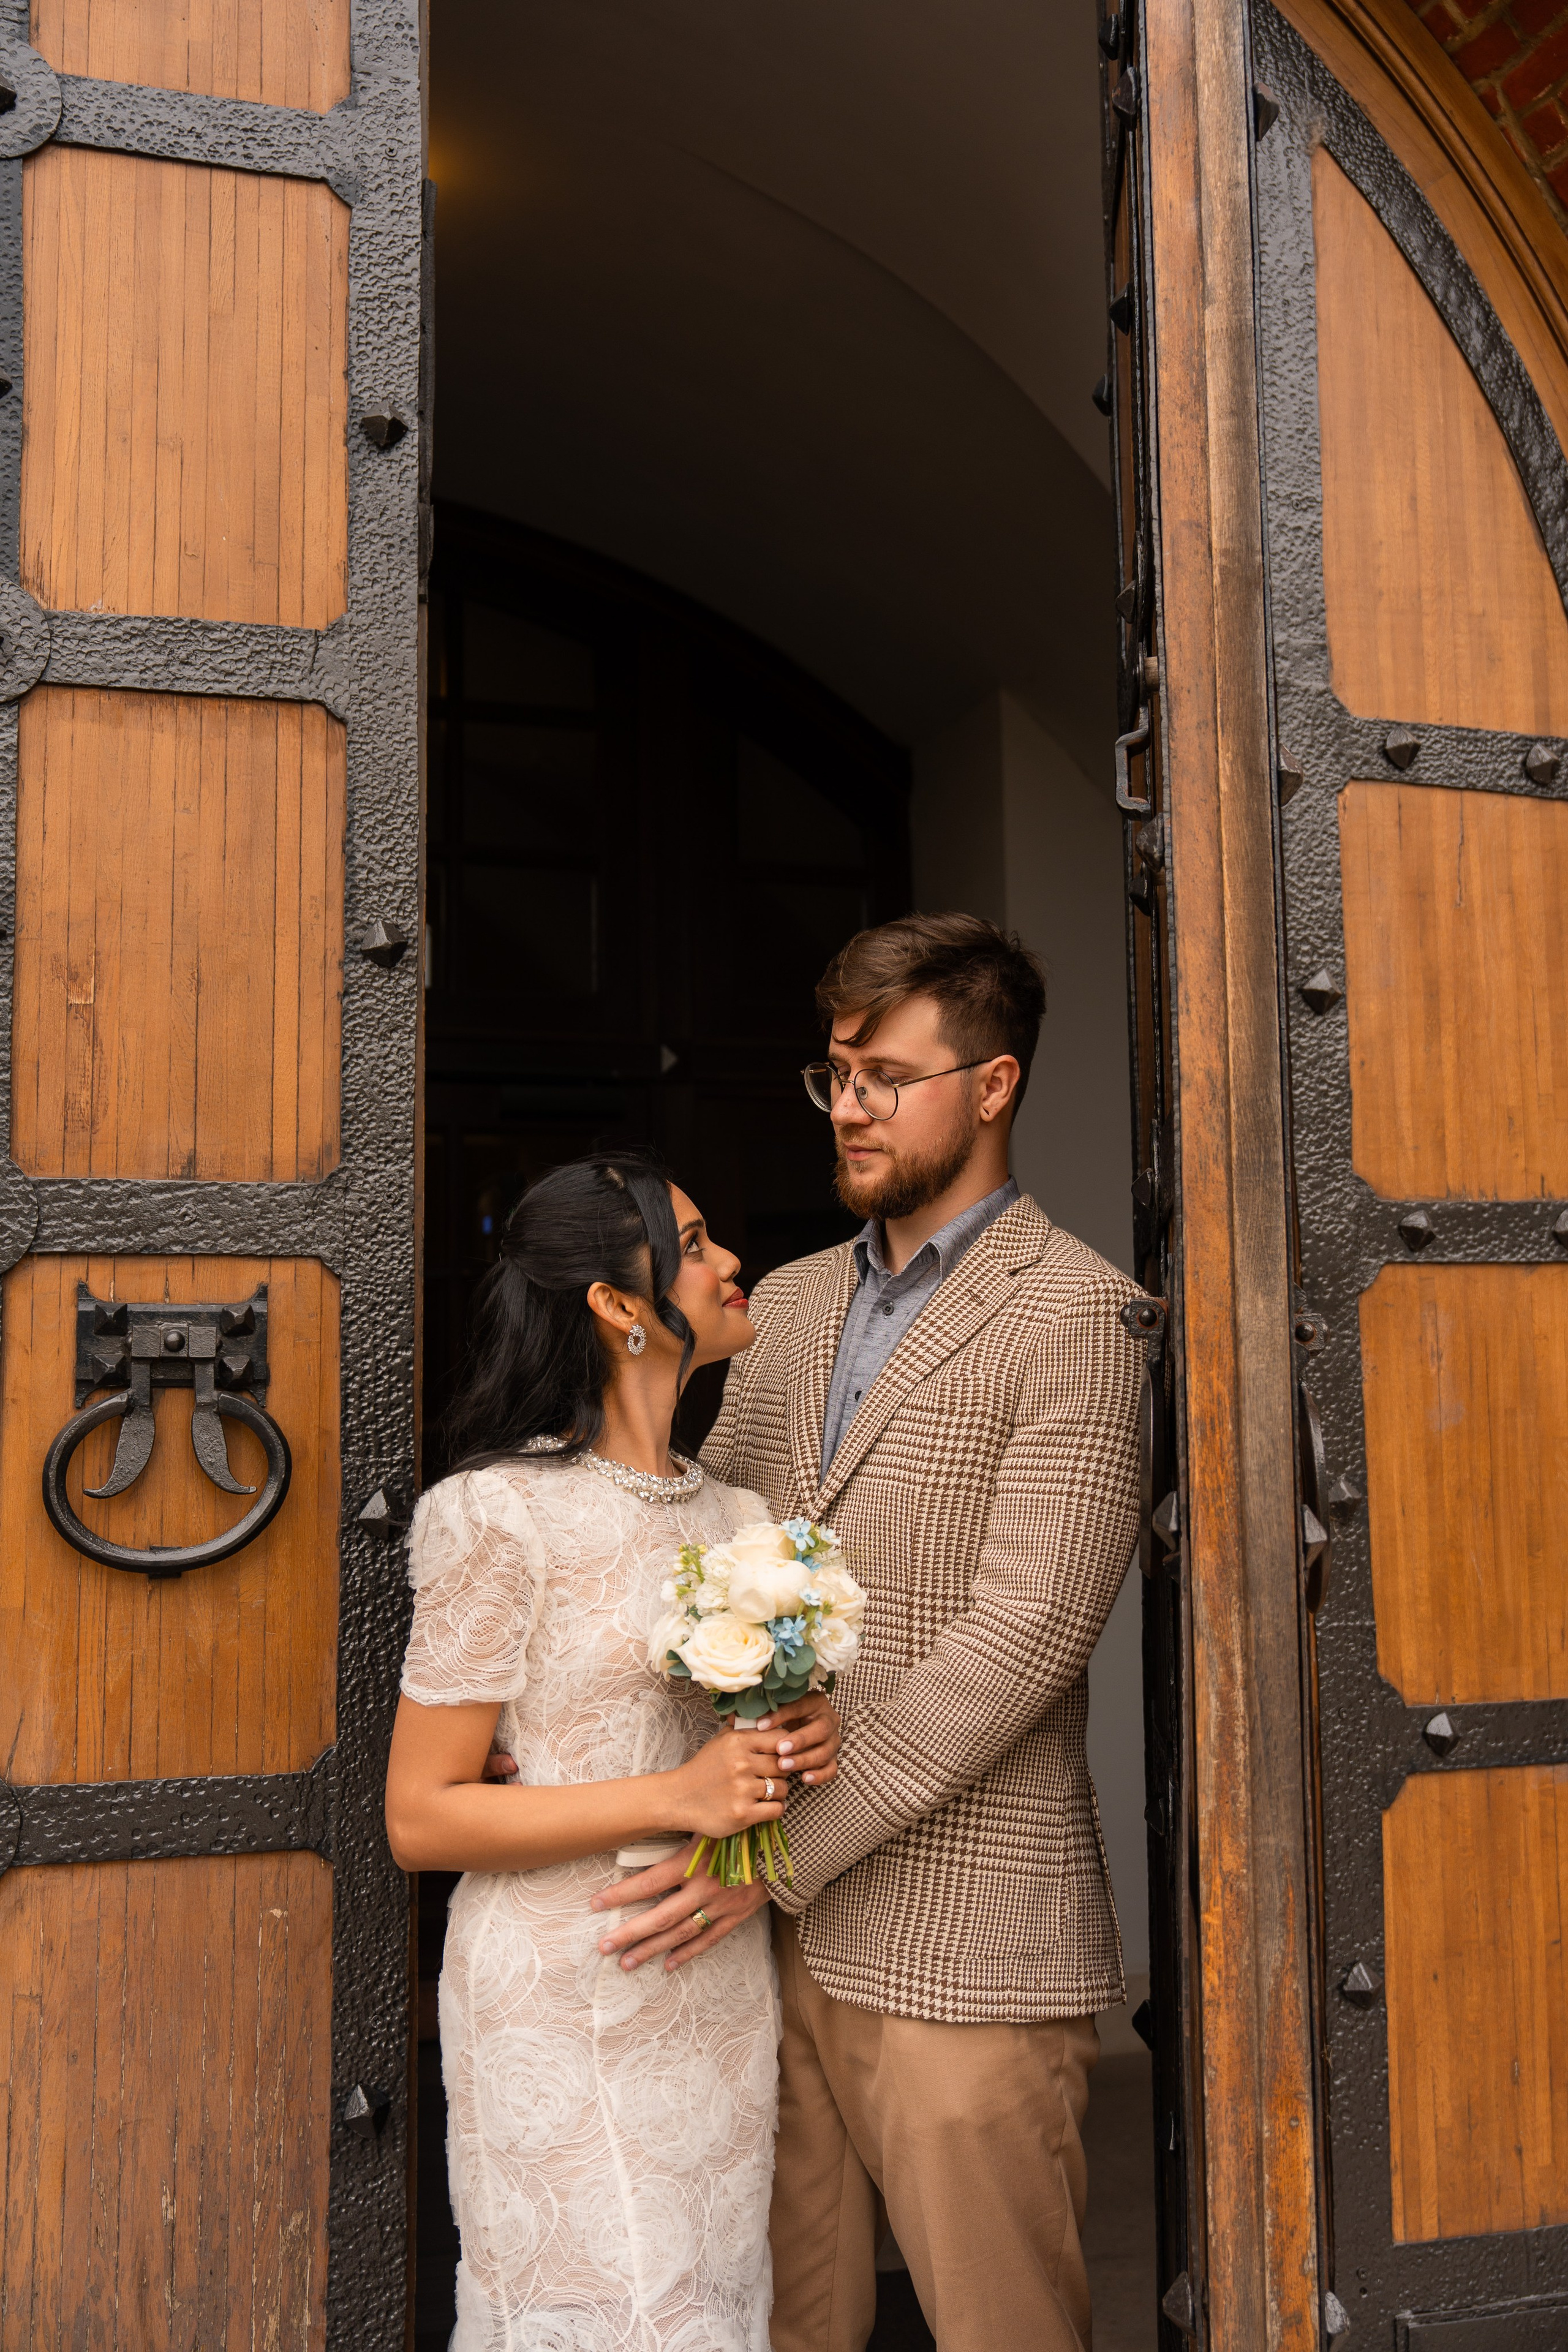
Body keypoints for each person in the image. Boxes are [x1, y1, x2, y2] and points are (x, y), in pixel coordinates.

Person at [598, 914, 1143, 2352]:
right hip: (758, 1960)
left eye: (886, 1077)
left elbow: (1020, 1645)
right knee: (782, 2328)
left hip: (966, 1949)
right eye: (834, 1074)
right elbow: (707, 1558)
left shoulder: (1081, 1316)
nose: (849, 1106)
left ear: (993, 1083)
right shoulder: (780, 1302)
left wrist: (769, 1861)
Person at [384, 1155, 843, 2352]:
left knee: (710, 2309)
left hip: (711, 1984)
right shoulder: (497, 1514)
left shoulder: (738, 1520)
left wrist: (801, 1740)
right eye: (692, 1245)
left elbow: (745, 1763)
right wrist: (677, 1794)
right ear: (616, 1304)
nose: (729, 1260)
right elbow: (421, 1817)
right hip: (557, 1984)